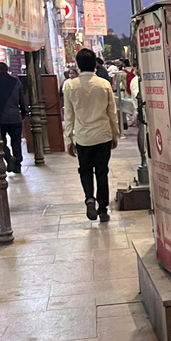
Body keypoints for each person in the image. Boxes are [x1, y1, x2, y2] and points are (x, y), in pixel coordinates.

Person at [64, 49, 119, 223]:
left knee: (85, 170)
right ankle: (103, 211)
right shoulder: (104, 84)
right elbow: (112, 113)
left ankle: (89, 198)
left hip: (83, 137)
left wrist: (68, 139)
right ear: (95, 63)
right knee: (102, 172)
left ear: (78, 65)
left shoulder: (71, 86)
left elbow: (69, 116)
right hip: (103, 135)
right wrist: (114, 134)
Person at [0, 62, 27, 174]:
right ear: (7, 69)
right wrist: (24, 112)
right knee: (16, 142)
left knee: (1, 141)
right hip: (15, 116)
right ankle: (17, 165)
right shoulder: (16, 81)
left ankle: (8, 157)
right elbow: (21, 98)